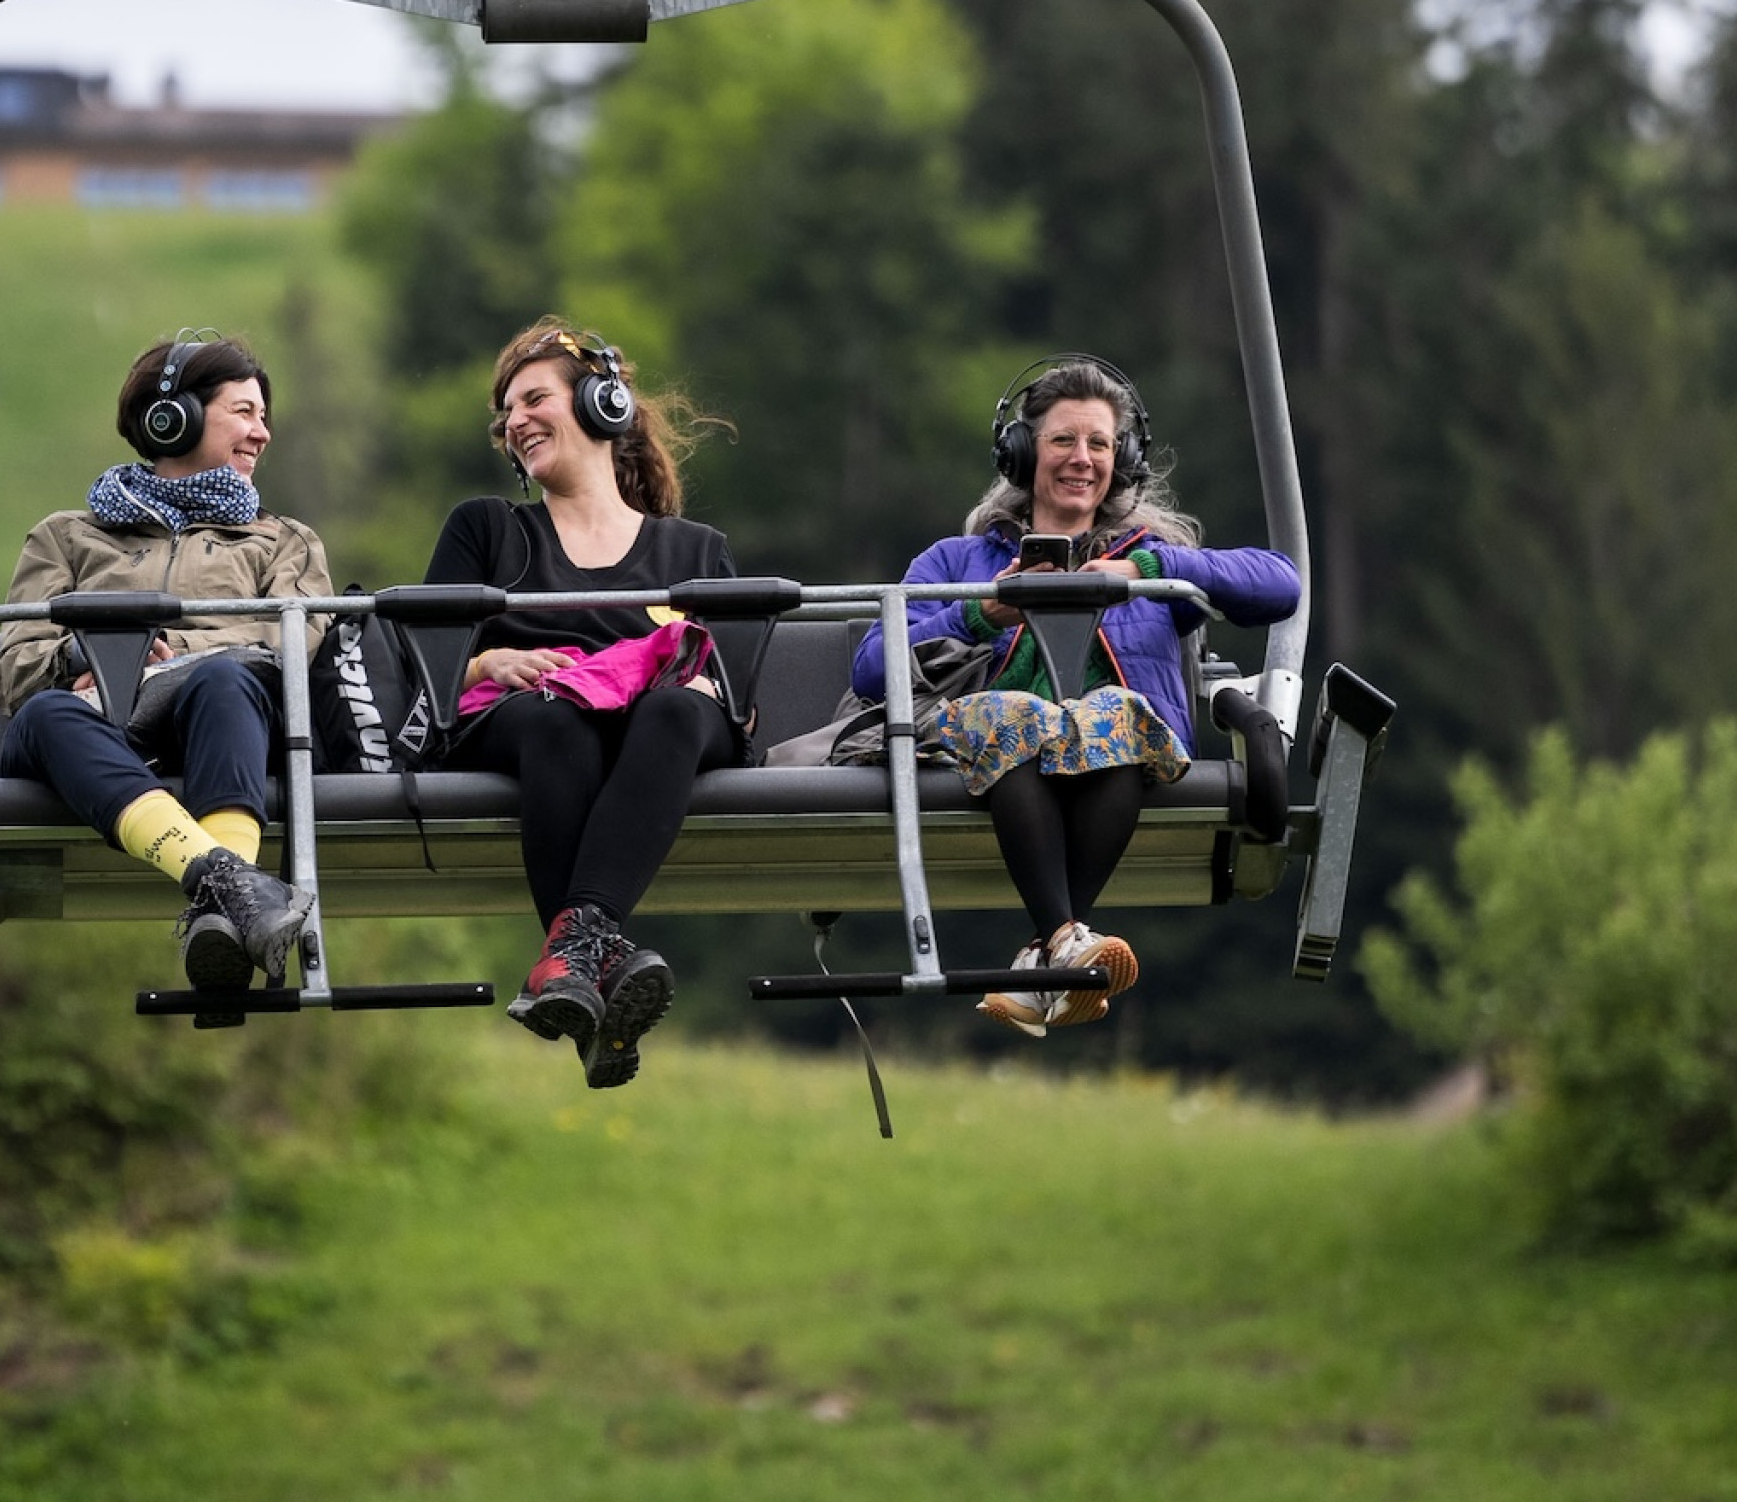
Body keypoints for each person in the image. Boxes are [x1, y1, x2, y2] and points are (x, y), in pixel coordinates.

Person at [851, 354, 1300, 1036]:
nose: (1082, 458)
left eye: (1098, 443)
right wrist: (979, 614)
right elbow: (868, 667)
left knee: (1115, 717)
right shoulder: (959, 561)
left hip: (1114, 749)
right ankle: (1062, 948)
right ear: (1024, 452)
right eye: (1063, 440)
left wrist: (1147, 568)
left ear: (1121, 459)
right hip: (989, 738)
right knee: (1024, 713)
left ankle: (1048, 953)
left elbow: (1279, 584)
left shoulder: (1149, 559)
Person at [423, 319, 741, 1090]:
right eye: (507, 413)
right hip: (530, 718)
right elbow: (419, 664)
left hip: (665, 728)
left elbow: (736, 680)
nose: (517, 420)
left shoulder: (694, 550)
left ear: (602, 403)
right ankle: (600, 954)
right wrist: (487, 661)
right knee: (559, 718)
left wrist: (702, 679)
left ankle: (571, 958)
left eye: (535, 398)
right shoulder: (487, 529)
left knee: (672, 709)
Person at [0, 332, 329, 994]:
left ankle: (217, 893)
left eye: (265, 418)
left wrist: (166, 655)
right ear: (175, 418)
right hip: (95, 729)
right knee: (45, 715)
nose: (261, 434)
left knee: (226, 678)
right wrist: (86, 655)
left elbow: (290, 644)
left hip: (220, 718)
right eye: (244, 412)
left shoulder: (282, 540)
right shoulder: (67, 537)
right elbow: (11, 669)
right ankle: (235, 889)